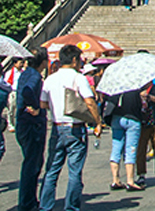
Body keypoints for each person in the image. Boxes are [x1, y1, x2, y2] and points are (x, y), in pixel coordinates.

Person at [39, 44, 102, 211]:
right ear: (74, 60)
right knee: (74, 171)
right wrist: (97, 121)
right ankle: (71, 207)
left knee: (52, 170)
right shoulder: (78, 78)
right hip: (75, 127)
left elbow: (43, 103)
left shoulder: (50, 79)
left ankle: (45, 206)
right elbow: (89, 101)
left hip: (57, 126)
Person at [16, 47, 48, 211]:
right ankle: (27, 202)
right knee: (32, 163)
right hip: (32, 124)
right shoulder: (35, 76)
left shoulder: (25, 73)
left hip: (22, 123)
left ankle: (28, 199)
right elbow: (28, 91)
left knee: (31, 161)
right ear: (43, 62)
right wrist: (35, 107)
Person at [105, 85, 147, 190]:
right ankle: (130, 180)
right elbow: (140, 107)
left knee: (116, 148)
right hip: (132, 119)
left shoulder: (115, 89)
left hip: (117, 118)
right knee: (131, 149)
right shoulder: (134, 89)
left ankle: (115, 180)